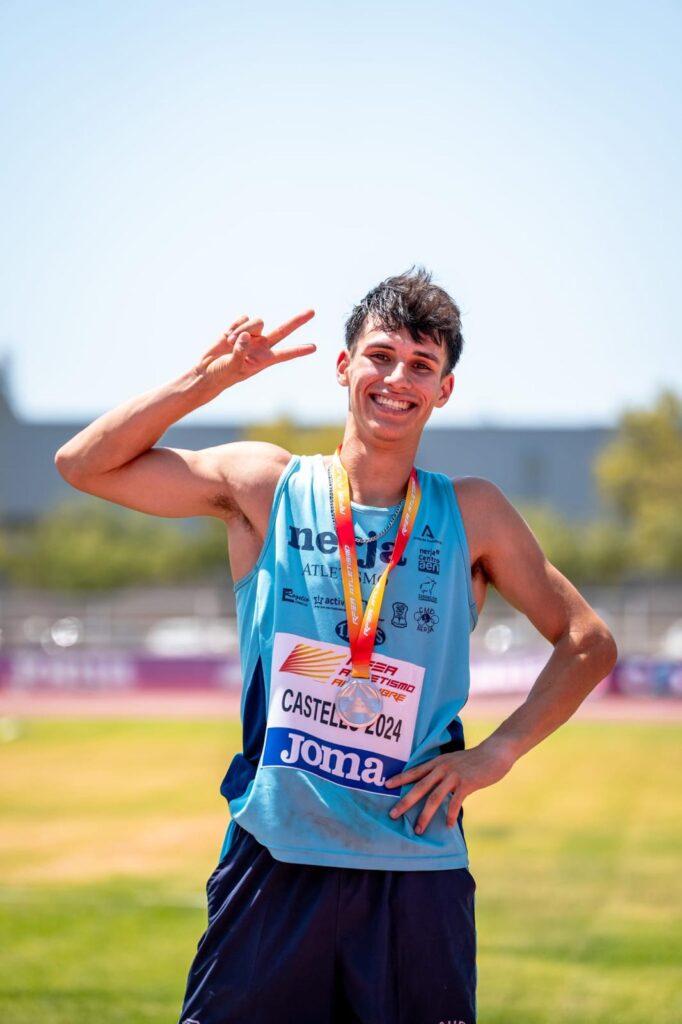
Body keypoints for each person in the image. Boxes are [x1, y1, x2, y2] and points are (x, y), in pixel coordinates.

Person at [55, 268, 617, 1024]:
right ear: (344, 366)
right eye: (380, 355)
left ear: (444, 390)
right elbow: (83, 465)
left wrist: (496, 754)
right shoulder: (266, 484)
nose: (397, 379)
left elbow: (588, 642)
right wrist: (207, 378)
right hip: (277, 858)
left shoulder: (473, 512)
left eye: (422, 366)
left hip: (416, 865)